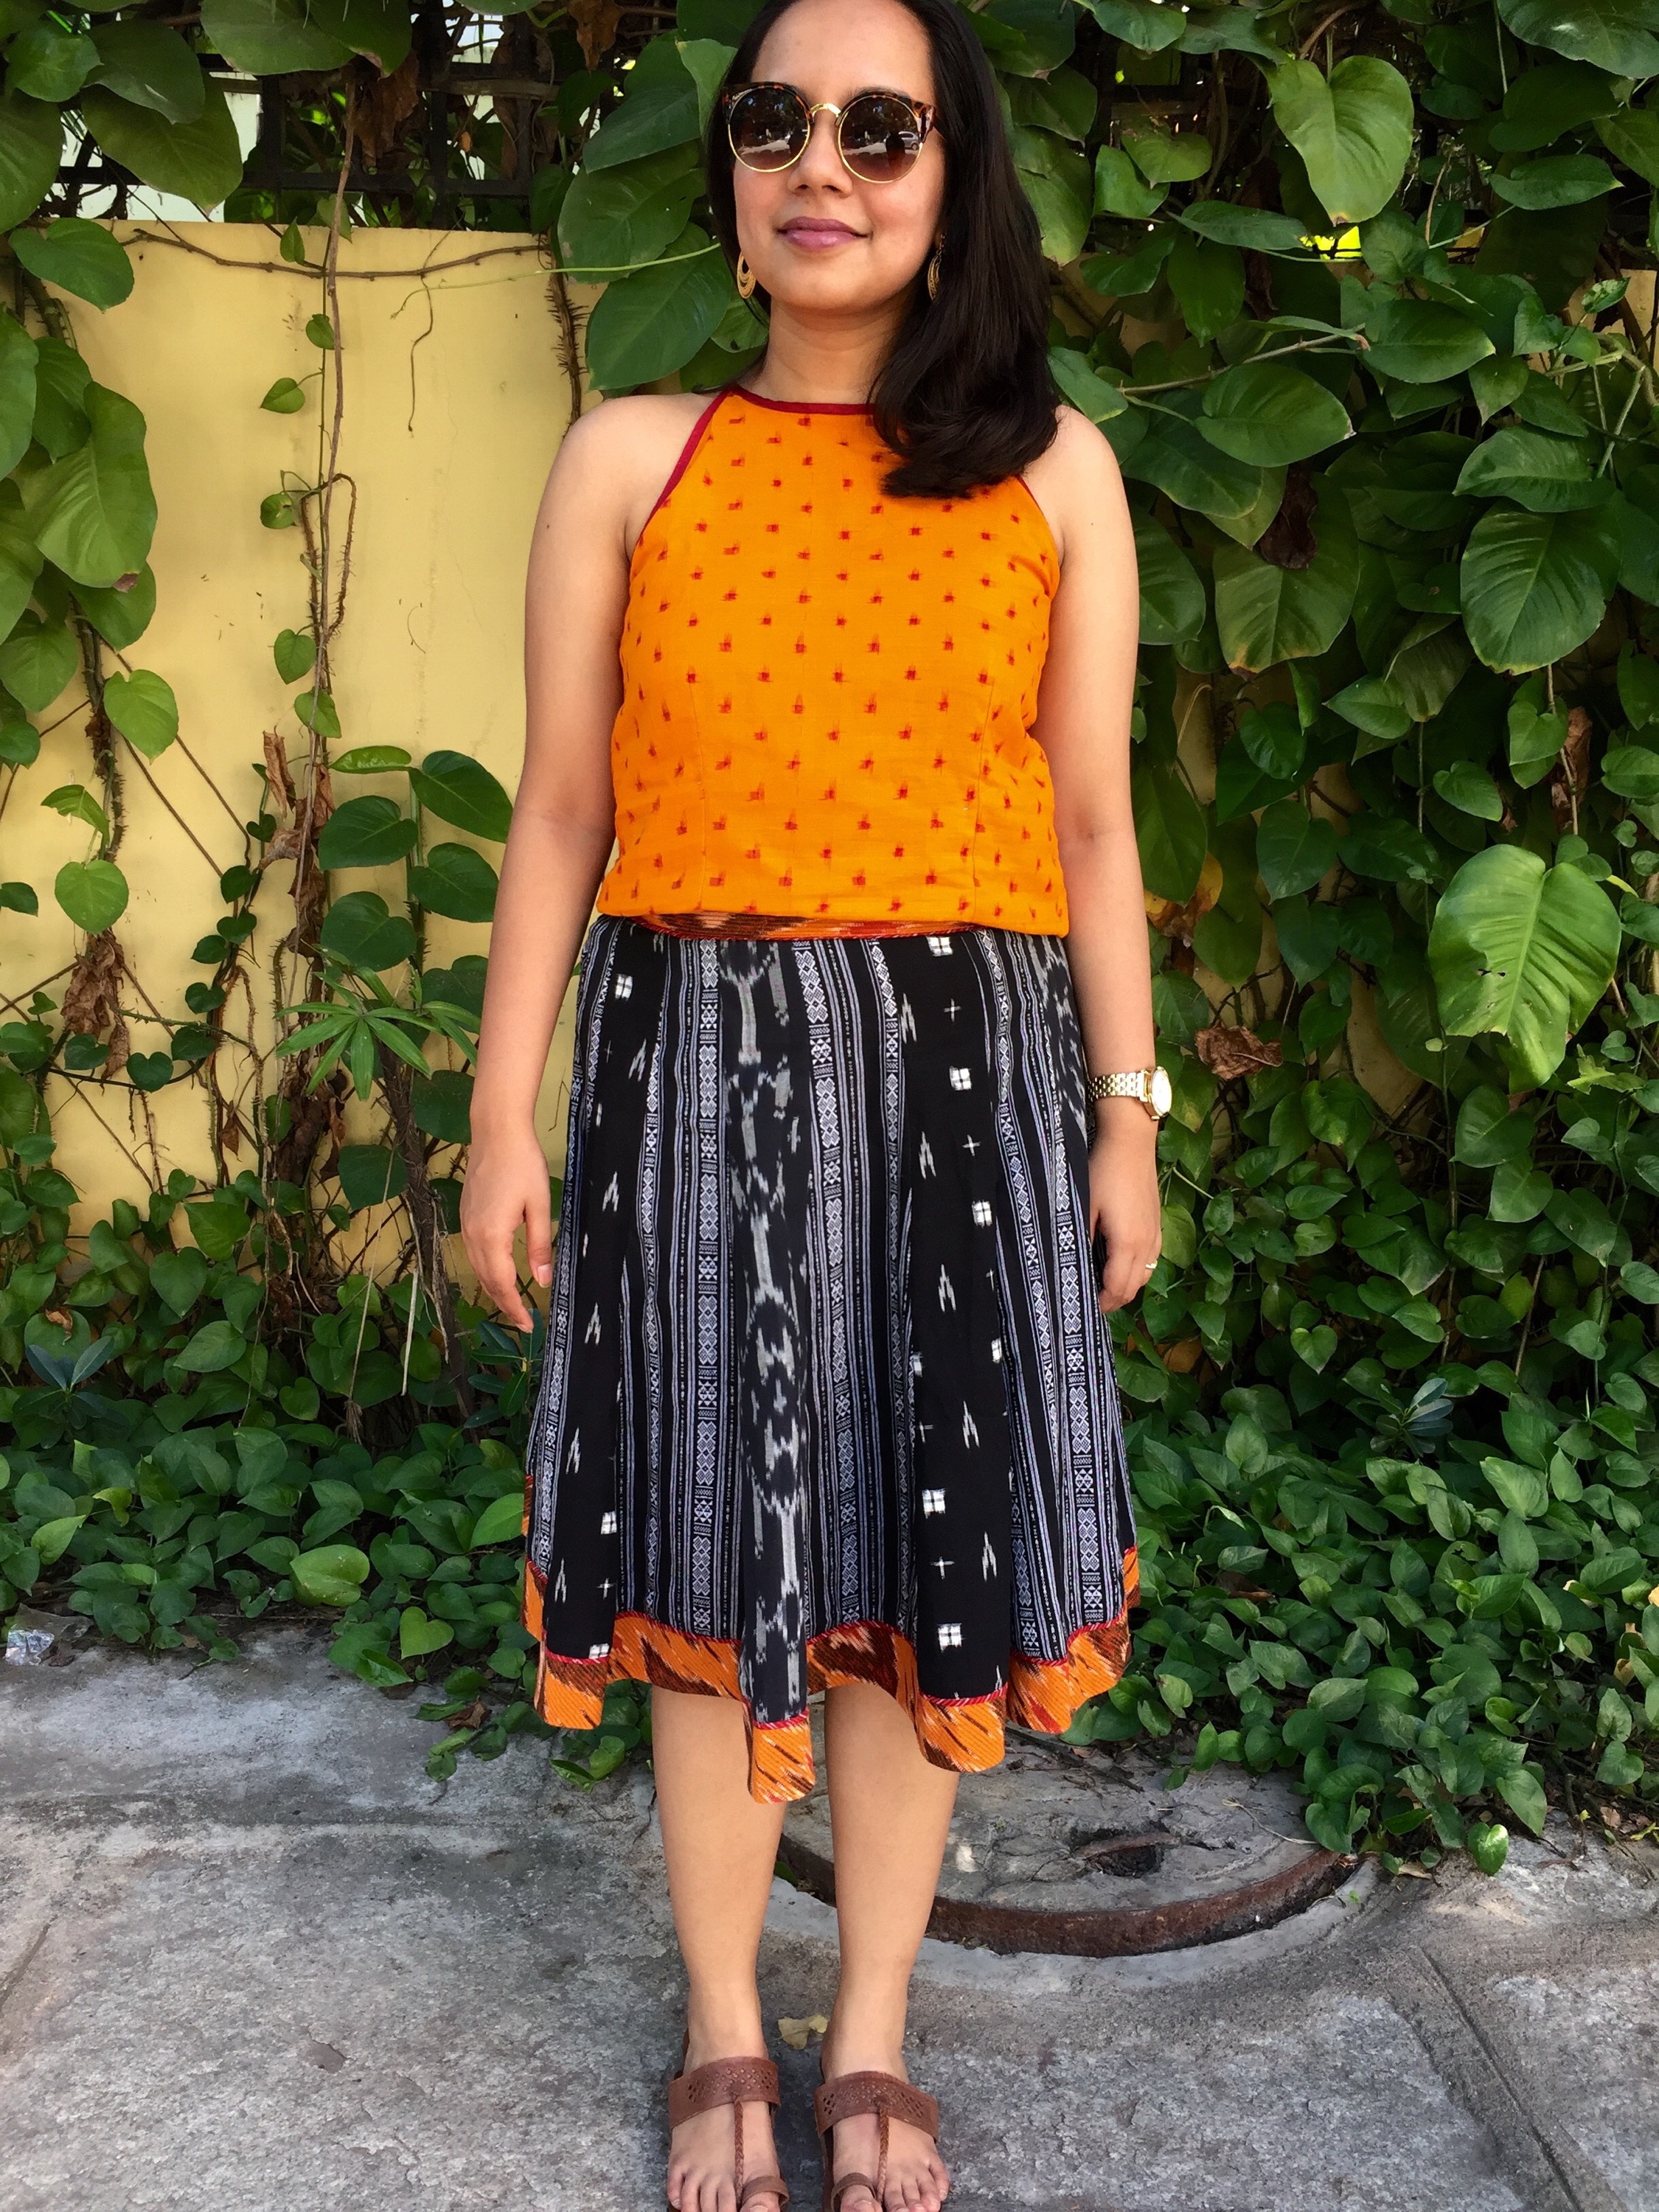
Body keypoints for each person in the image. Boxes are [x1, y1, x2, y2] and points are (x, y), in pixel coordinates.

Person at [462, 1, 1161, 2205]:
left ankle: (865, 2032)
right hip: (689, 1070)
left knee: (918, 1578)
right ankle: (716, 2028)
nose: (820, 163)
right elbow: (560, 813)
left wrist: (1126, 1116)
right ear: (731, 173)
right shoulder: (630, 458)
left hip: (965, 1085)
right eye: (775, 120)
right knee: (700, 1562)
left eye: (881, 125)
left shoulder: (1052, 471)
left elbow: (1093, 829)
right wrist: (501, 1120)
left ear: (955, 179)